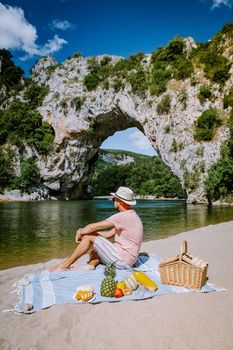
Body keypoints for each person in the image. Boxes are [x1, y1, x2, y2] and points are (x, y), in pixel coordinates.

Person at [49, 186, 143, 272]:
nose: (113, 201)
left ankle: (64, 265)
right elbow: (108, 234)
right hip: (129, 260)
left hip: (122, 260)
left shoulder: (123, 216)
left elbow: (92, 226)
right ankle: (91, 266)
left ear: (119, 201)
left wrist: (82, 232)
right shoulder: (132, 216)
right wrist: (91, 236)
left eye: (114, 199)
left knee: (89, 236)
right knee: (95, 250)